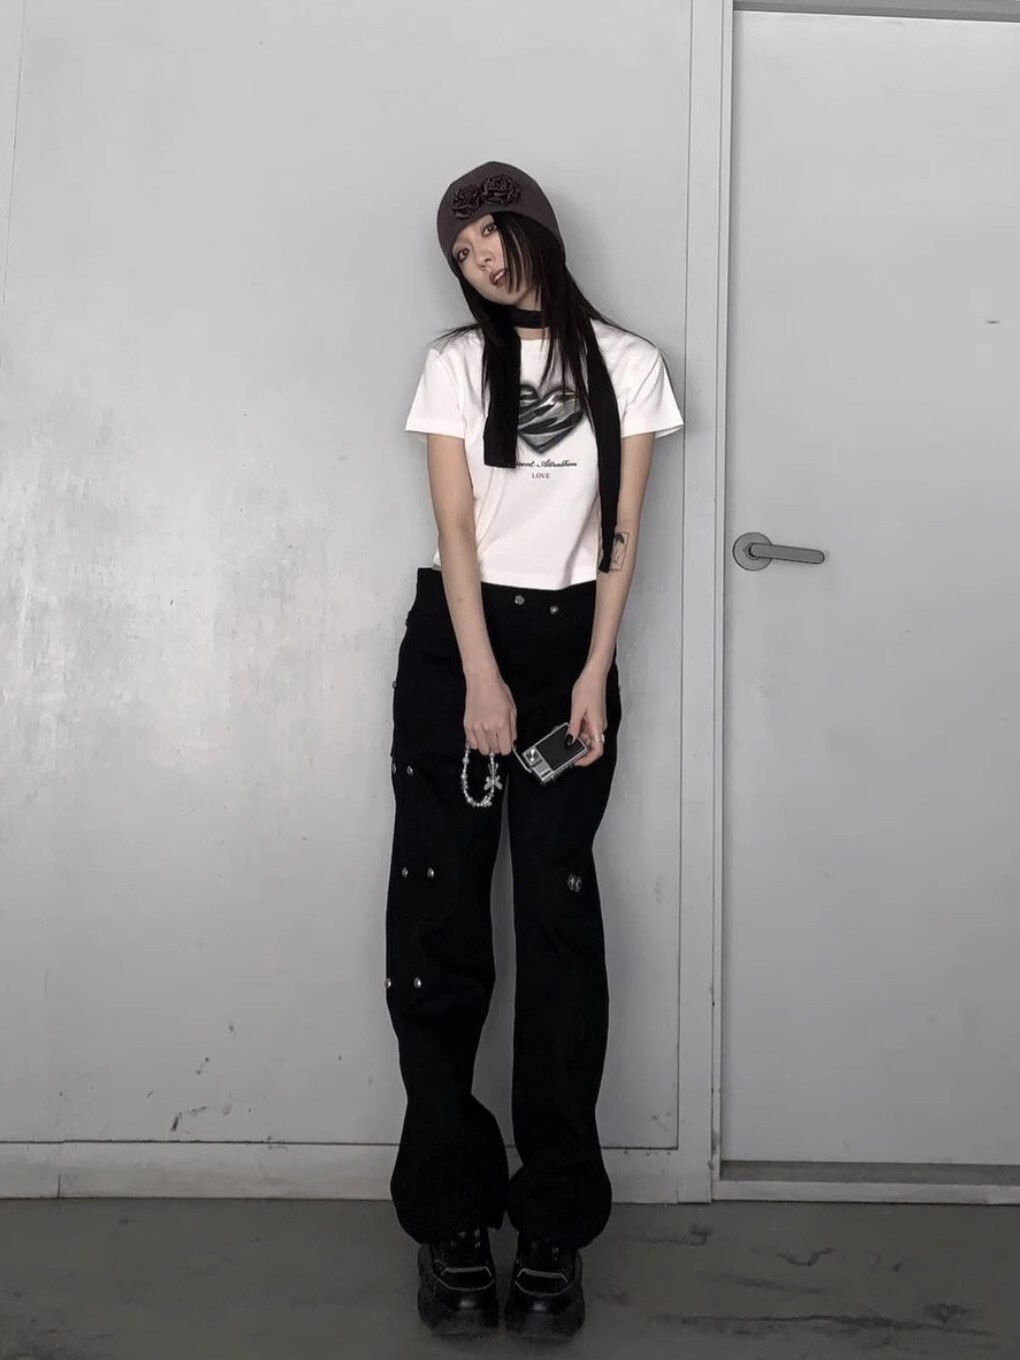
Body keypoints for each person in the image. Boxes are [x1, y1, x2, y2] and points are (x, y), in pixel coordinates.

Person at [385, 160, 683, 1341]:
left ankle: (554, 1224)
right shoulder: (455, 365)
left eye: (491, 236)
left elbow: (622, 527)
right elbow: (456, 527)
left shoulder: (631, 364)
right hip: (461, 643)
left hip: (570, 647)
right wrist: (480, 677)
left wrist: (596, 669)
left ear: (535, 231)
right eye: (462, 253)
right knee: (439, 919)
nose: (480, 260)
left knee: (558, 922)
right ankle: (452, 1218)